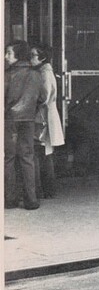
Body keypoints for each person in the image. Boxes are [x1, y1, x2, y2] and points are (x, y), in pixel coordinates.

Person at [5, 40, 46, 210]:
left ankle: (10, 199)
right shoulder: (36, 75)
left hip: (9, 120)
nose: (5, 57)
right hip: (28, 120)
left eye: (8, 53)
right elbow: (43, 98)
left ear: (17, 55)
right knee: (27, 158)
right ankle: (31, 200)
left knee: (8, 158)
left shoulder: (7, 75)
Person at [31, 44, 65, 199]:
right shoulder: (45, 72)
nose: (31, 59)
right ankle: (48, 189)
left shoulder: (44, 74)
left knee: (43, 152)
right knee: (45, 153)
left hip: (43, 116)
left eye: (33, 55)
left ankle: (46, 189)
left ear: (42, 57)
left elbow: (44, 97)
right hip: (46, 115)